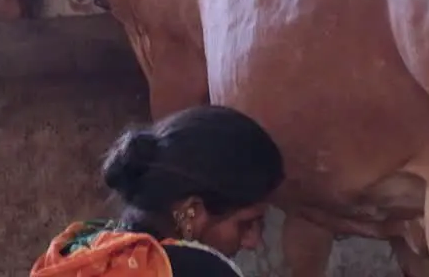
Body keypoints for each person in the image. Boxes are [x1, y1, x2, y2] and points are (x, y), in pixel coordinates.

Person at [30, 105, 285, 277]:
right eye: (246, 224)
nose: (253, 242)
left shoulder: (79, 247)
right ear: (191, 212)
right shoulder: (200, 269)